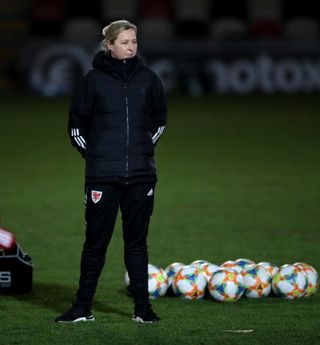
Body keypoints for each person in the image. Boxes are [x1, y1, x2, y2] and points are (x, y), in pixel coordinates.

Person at [55, 20, 167, 324]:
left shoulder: (149, 80)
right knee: (95, 243)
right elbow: (76, 128)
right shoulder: (90, 82)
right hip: (102, 176)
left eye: (134, 41)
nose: (131, 46)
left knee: (137, 243)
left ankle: (143, 310)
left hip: (142, 175)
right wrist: (98, 158)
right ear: (110, 45)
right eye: (125, 42)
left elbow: (159, 123)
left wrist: (141, 149)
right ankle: (82, 308)